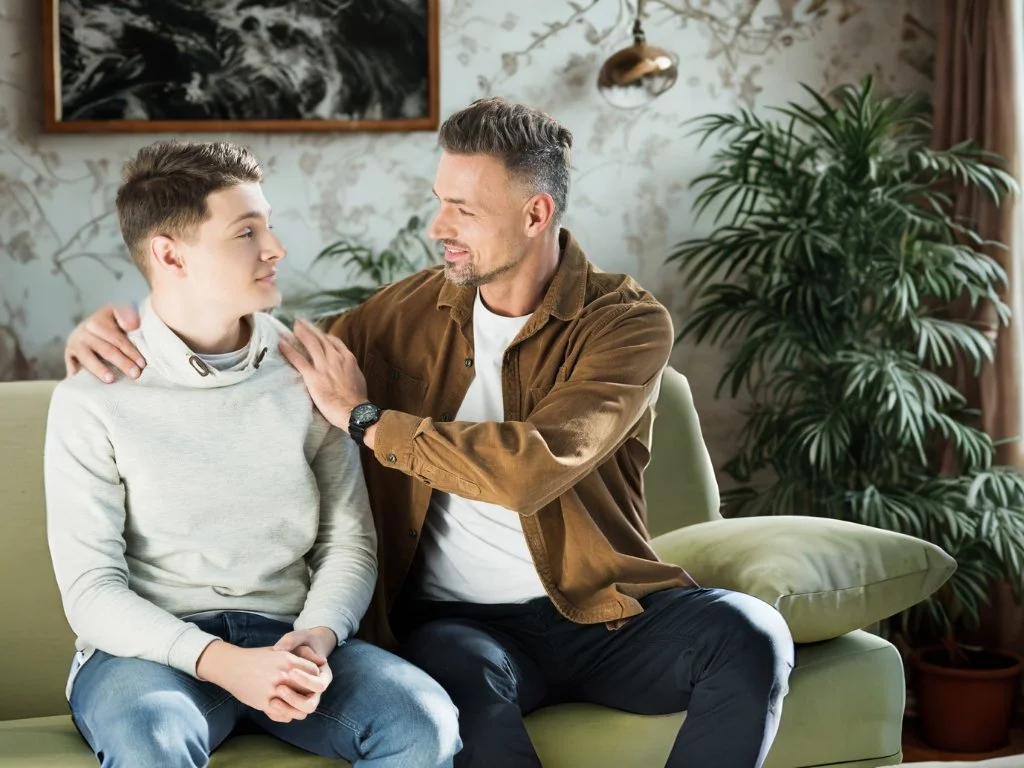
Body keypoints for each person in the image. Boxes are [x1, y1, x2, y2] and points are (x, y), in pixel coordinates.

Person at [65, 99, 794, 768]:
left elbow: (534, 467)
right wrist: (120, 328)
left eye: (463, 210)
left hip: (602, 609)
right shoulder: (403, 314)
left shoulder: (625, 324)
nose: (437, 228)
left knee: (751, 635)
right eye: (438, 203)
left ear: (535, 214)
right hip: (458, 627)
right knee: (452, 687)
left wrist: (371, 422)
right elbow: (262, 354)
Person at [47, 141, 460, 768]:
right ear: (169, 254)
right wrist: (225, 664)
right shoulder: (92, 396)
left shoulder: (311, 374)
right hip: (146, 655)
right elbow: (92, 591)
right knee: (150, 739)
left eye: (268, 226)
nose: (276, 249)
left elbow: (348, 543)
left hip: (292, 637)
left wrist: (316, 638)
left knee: (422, 721)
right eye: (246, 232)